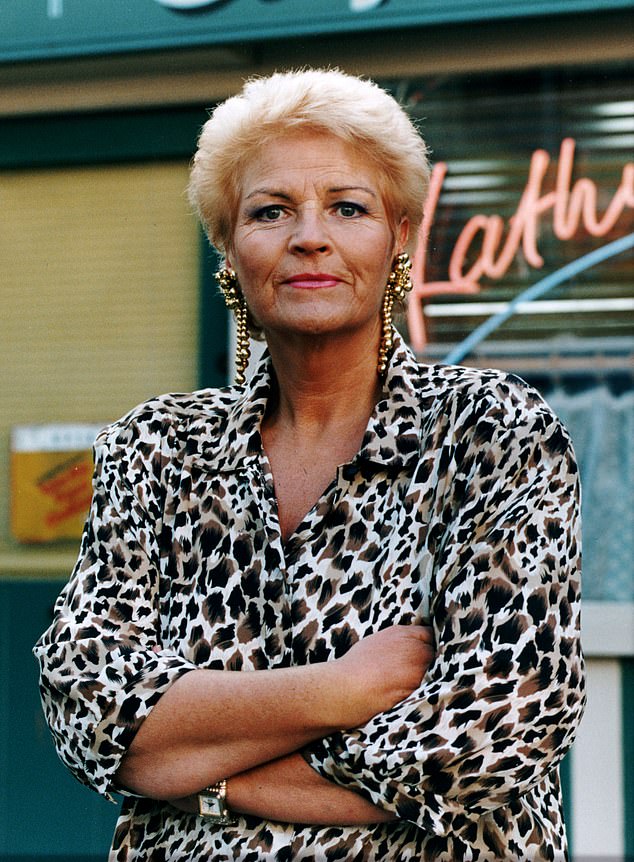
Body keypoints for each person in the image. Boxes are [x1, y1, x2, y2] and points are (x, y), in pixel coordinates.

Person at [34, 68, 585, 861]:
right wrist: (344, 689)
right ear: (229, 243)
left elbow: (489, 730)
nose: (310, 237)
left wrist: (195, 772)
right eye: (270, 211)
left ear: (400, 234)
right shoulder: (156, 448)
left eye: (348, 207)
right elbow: (86, 705)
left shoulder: (490, 433)